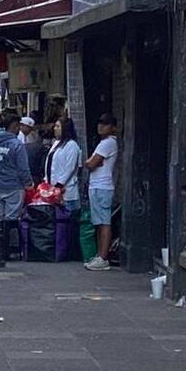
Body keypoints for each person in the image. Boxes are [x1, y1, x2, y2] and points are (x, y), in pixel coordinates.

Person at [0, 112, 33, 260]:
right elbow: (23, 168)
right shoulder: (17, 145)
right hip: (14, 186)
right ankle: (9, 250)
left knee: (0, 218)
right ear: (15, 126)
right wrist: (28, 183)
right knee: (12, 219)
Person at [84, 112, 119, 271]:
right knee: (98, 222)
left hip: (102, 186)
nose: (101, 126)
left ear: (112, 127)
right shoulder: (103, 143)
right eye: (100, 123)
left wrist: (91, 162)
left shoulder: (108, 143)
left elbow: (91, 163)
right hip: (97, 186)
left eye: (105, 124)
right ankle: (100, 255)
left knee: (104, 222)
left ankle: (103, 257)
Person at [44, 117, 81, 216]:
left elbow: (70, 168)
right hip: (52, 191)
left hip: (66, 191)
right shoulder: (56, 143)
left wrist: (59, 185)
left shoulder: (72, 145)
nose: (55, 128)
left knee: (67, 223)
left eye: (58, 126)